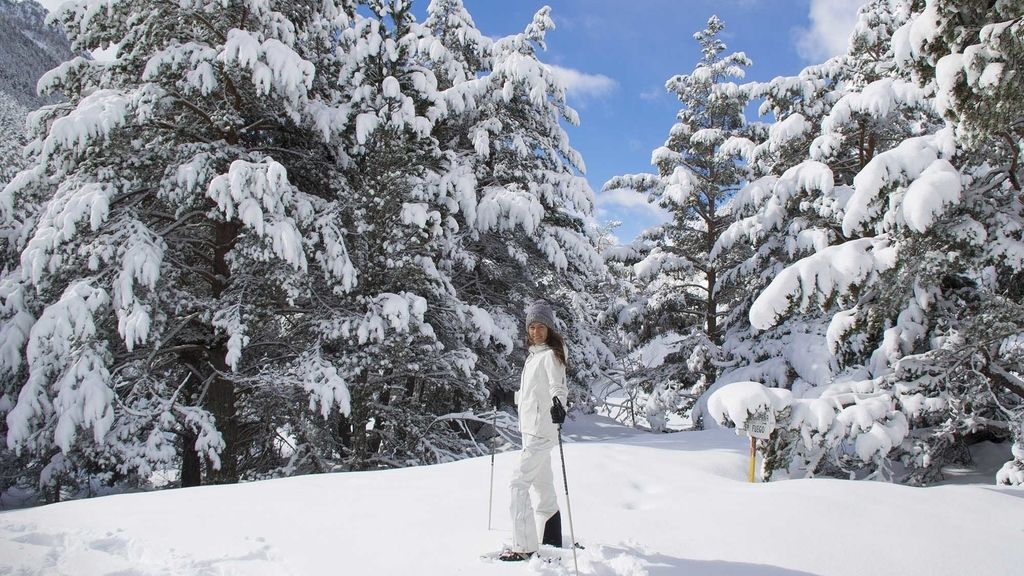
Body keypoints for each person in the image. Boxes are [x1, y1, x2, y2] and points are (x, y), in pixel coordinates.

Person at [499, 300, 569, 562]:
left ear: (549, 328)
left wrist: (558, 405)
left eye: (541, 326)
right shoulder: (534, 357)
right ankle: (551, 537)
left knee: (518, 484)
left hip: (541, 432)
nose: (536, 331)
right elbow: (530, 397)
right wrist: (509, 397)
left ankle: (524, 546)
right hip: (531, 431)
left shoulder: (551, 355)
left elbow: (557, 388)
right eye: (532, 327)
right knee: (543, 486)